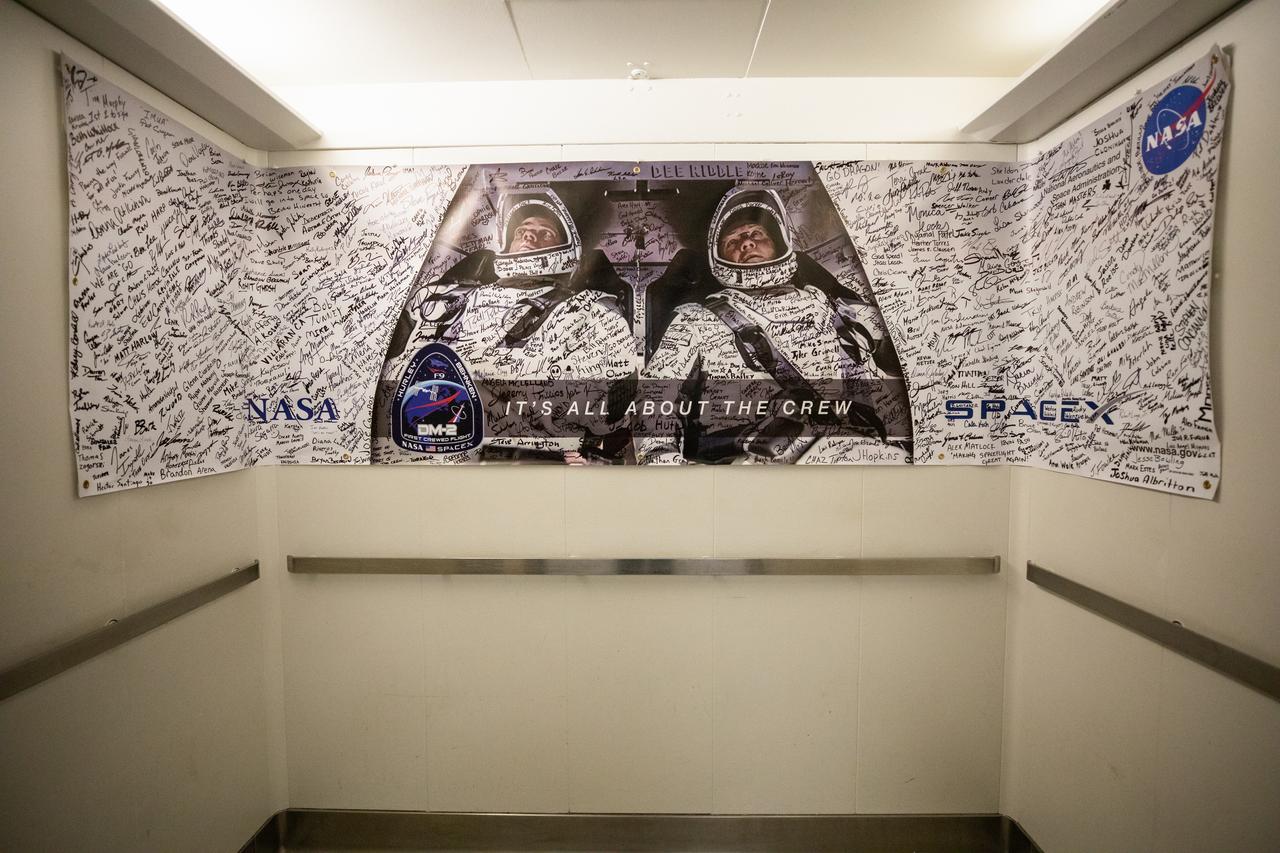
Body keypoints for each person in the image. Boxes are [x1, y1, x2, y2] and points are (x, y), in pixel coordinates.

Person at [639, 186, 912, 464]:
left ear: (780, 242)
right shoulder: (695, 320)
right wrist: (663, 463)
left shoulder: (835, 310)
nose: (746, 243)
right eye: (733, 241)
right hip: (746, 469)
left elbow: (878, 392)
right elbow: (655, 395)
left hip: (847, 460)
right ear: (716, 255)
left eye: (756, 234)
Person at [376, 186, 638, 463]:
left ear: (567, 246)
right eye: (521, 230)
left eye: (545, 233)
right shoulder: (433, 297)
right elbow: (381, 372)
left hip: (515, 467)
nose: (528, 235)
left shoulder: (592, 312)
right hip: (407, 458)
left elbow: (610, 415)